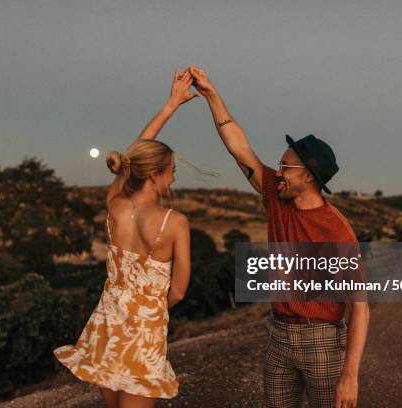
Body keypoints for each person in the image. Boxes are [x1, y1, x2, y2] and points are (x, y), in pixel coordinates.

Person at [188, 66, 370, 408]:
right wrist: (211, 94)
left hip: (322, 341)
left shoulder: (335, 229)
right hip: (278, 336)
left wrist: (350, 376)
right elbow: (239, 148)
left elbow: (360, 307)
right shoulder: (277, 195)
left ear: (310, 177)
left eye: (286, 167)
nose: (279, 172)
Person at [53, 69, 198, 408]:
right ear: (154, 174)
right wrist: (148, 313)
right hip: (143, 335)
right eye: (171, 171)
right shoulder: (175, 222)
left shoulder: (114, 206)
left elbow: (132, 157)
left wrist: (169, 105)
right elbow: (177, 290)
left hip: (106, 327)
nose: (173, 179)